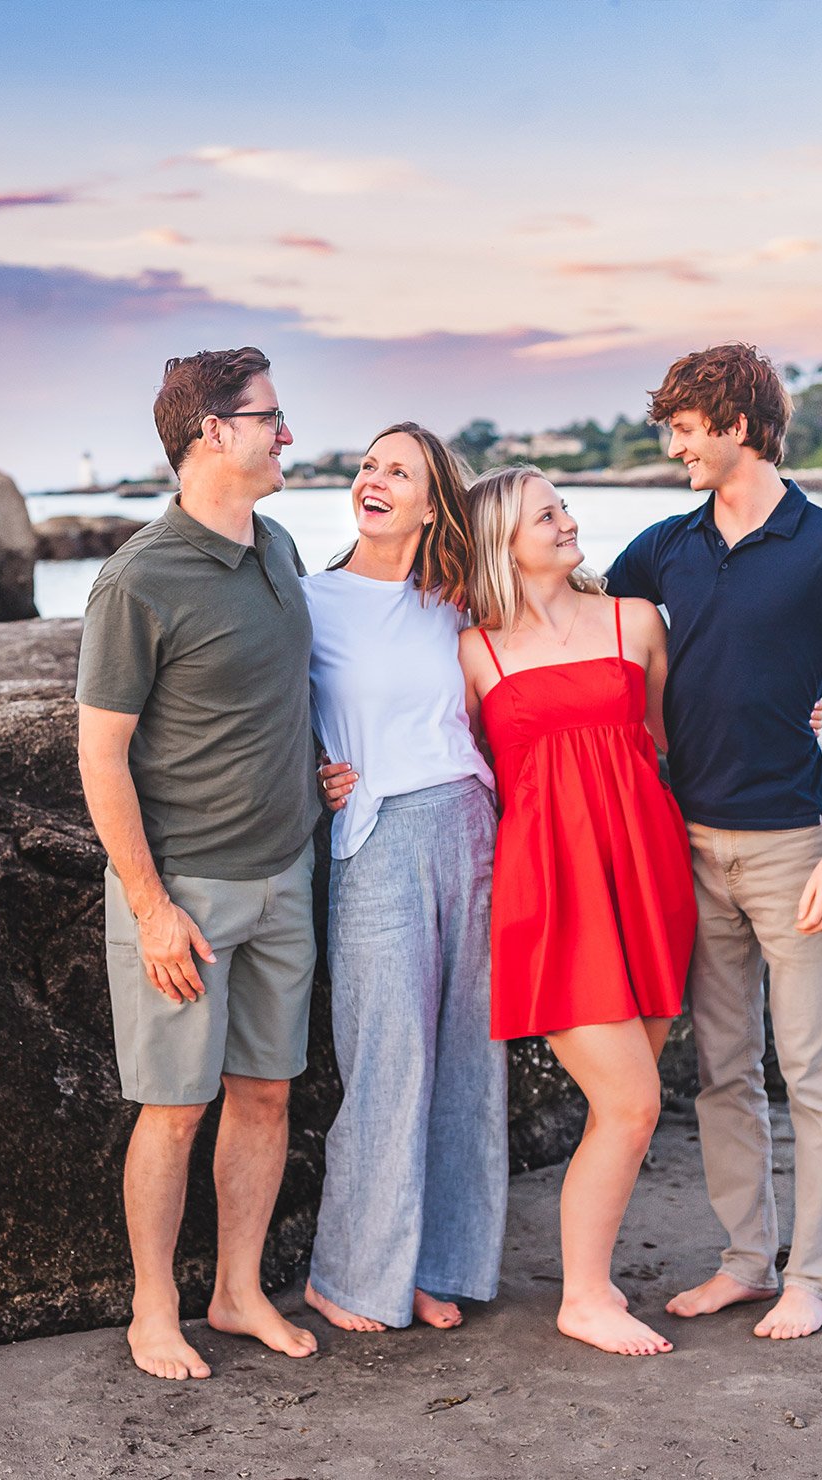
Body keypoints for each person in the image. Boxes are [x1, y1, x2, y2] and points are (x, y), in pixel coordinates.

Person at [605, 343, 822, 1341]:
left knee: (815, 1073)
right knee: (721, 1067)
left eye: (684, 428)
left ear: (734, 423)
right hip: (689, 843)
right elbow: (561, 625)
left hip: (795, 847)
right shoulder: (659, 548)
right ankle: (742, 1259)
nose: (673, 446)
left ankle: (811, 1275)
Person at [76, 346, 322, 1379]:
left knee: (266, 1093)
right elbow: (101, 754)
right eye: (270, 416)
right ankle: (151, 1310)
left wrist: (324, 773)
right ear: (213, 432)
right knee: (174, 1108)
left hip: (288, 875)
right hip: (187, 893)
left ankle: (235, 1290)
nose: (287, 433)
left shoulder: (281, 548)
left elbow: (280, 696)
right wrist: (151, 905)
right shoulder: (139, 578)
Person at [457, 465, 697, 1357]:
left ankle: (592, 1277)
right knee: (631, 1105)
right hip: (553, 895)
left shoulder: (638, 622)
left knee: (624, 1110)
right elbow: (439, 754)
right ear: (501, 544)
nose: (567, 521)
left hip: (648, 878)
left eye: (563, 507)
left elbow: (679, 739)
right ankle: (585, 1296)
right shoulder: (473, 650)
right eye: (545, 514)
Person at [299, 423, 505, 1335]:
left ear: (433, 503)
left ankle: (438, 1266)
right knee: (386, 1061)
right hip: (374, 838)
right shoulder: (308, 601)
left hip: (470, 825)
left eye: (399, 472)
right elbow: (254, 706)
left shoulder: (464, 599)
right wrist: (309, 766)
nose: (373, 481)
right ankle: (348, 1275)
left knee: (468, 1061)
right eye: (368, 466)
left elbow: (568, 641)